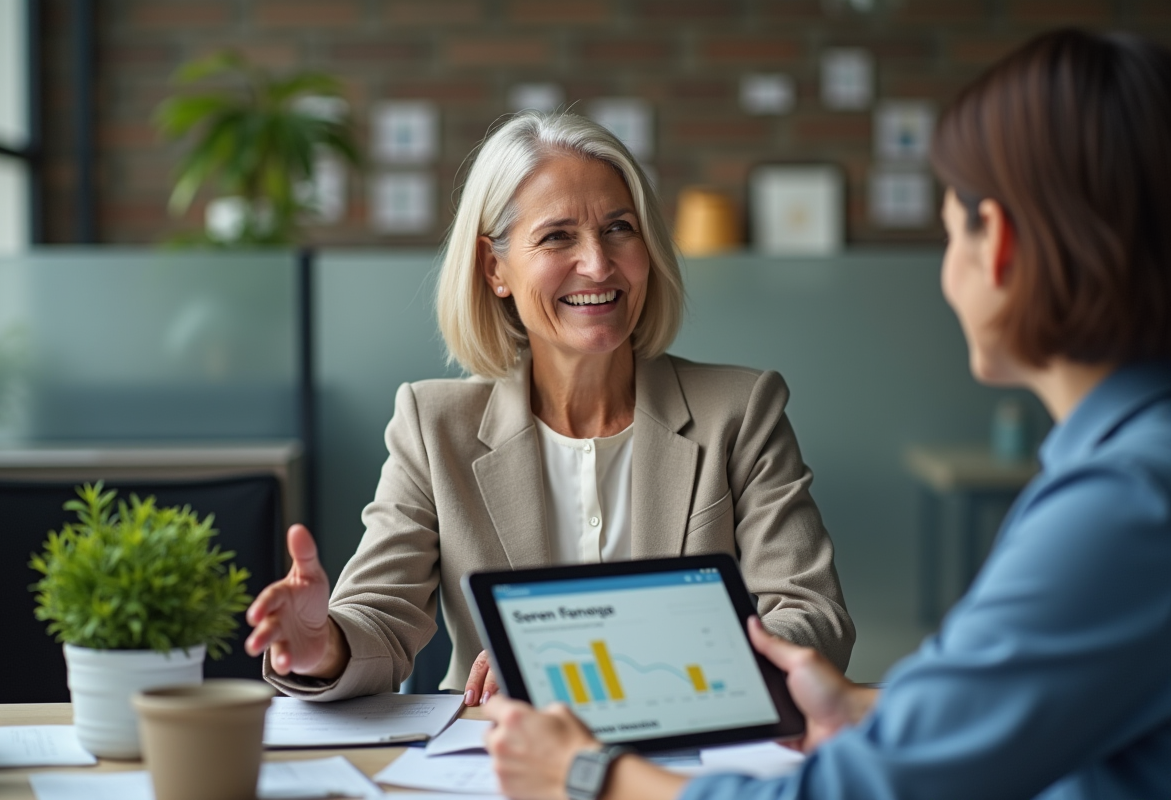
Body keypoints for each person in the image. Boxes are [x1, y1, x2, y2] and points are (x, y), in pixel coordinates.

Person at [482, 28, 1171, 800]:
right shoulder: (1133, 476)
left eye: (950, 232)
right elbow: (1028, 710)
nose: (599, 263)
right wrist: (873, 710)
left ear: (998, 245)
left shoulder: (1124, 505)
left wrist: (590, 776)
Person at [243, 110, 856, 704]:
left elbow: (813, 618)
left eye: (620, 228)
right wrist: (324, 645)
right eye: (558, 235)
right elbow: (379, 617)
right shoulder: (434, 427)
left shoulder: (740, 411)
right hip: (496, 759)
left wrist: (581, 660)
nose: (597, 262)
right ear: (495, 268)